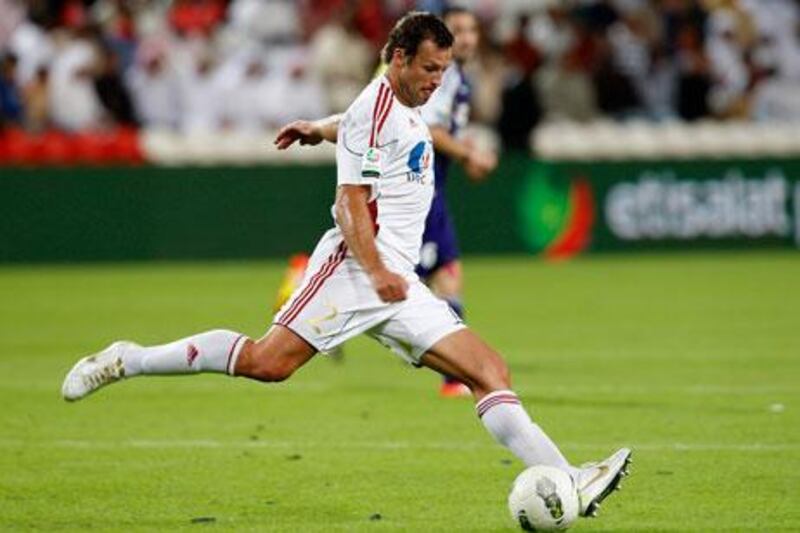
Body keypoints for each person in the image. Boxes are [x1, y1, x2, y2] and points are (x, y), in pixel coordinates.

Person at [61, 12, 630, 520]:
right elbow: (350, 201)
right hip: (355, 271)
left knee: (488, 371)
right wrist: (376, 269)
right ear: (399, 58)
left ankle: (572, 480)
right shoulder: (376, 105)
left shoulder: (398, 108)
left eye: (443, 70)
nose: (437, 81)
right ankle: (127, 359)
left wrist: (318, 126)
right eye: (429, 69)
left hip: (396, 279)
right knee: (267, 363)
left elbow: (364, 127)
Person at [274, 7, 498, 397]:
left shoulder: (453, 79)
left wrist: (319, 128)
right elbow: (378, 122)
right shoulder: (406, 83)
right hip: (406, 196)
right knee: (431, 278)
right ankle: (453, 377)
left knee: (445, 275)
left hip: (429, 190)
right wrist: (467, 154)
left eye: (471, 30)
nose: (466, 38)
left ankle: (457, 375)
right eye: (458, 29)